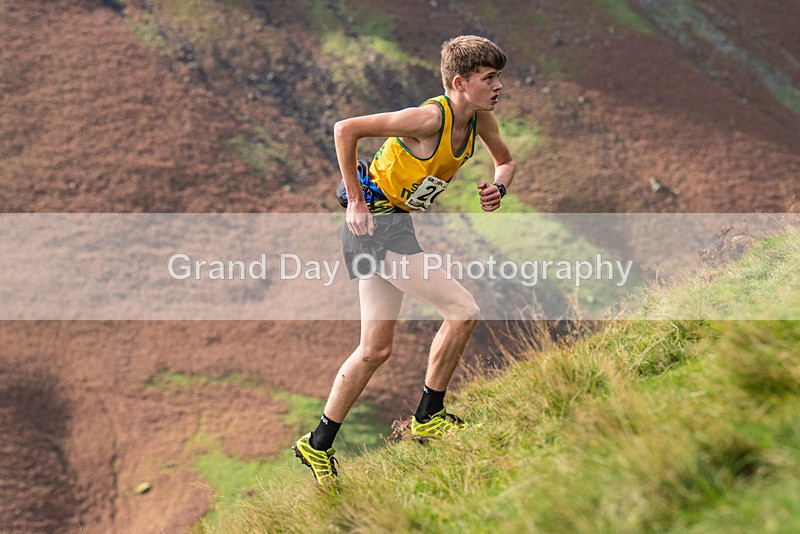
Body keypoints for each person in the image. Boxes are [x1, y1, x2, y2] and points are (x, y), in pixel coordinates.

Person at [293, 35, 516, 485]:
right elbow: (345, 129)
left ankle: (317, 444)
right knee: (463, 310)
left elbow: (506, 161)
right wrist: (355, 202)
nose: (498, 87)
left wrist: (499, 187)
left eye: (498, 78)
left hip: (393, 226)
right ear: (460, 81)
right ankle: (428, 416)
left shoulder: (479, 120)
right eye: (489, 78)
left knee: (375, 349)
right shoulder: (429, 118)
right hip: (376, 228)